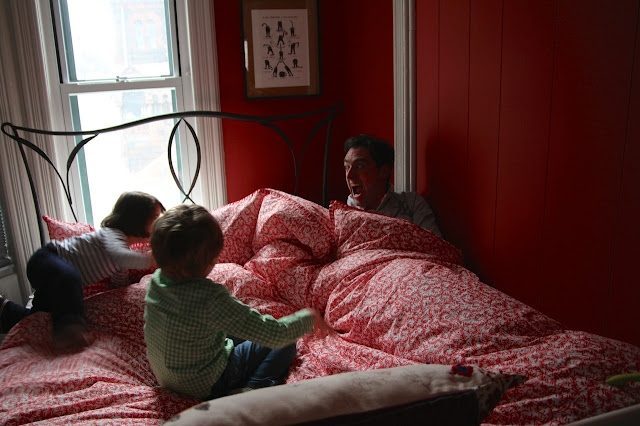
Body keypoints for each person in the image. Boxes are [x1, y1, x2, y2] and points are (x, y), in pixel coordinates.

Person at [144, 204, 334, 400]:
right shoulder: (211, 298)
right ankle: (255, 387)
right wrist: (306, 318)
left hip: (167, 378)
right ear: (210, 262)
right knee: (285, 344)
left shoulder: (156, 282)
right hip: (207, 385)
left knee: (230, 330)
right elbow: (275, 335)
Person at [0, 191, 164, 350]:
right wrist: (152, 260)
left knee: (41, 319)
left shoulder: (122, 253)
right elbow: (120, 257)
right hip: (47, 260)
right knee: (72, 279)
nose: (159, 223)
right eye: (156, 217)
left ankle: (4, 311)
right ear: (136, 219)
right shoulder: (112, 235)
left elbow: (119, 281)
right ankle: (72, 332)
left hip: (56, 280)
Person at [343, 134, 443, 238]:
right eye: (347, 167)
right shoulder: (340, 218)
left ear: (384, 172)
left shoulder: (411, 204)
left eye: (359, 166)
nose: (349, 175)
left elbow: (435, 245)